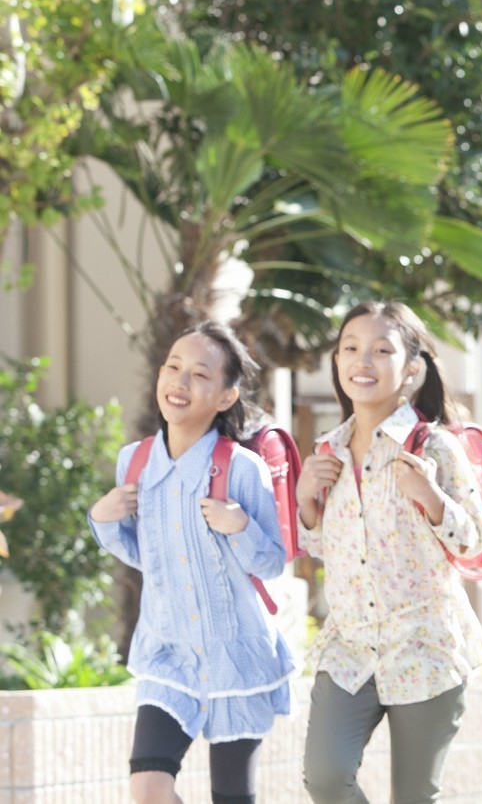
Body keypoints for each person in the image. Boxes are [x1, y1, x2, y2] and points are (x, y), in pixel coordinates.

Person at [88, 321, 293, 804]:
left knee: (232, 798)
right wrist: (103, 521)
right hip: (167, 654)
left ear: (226, 396)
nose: (180, 382)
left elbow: (271, 563)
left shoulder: (243, 469)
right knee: (149, 790)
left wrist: (240, 526)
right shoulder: (133, 464)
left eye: (200, 374)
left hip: (235, 658)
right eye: (173, 367)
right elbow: (145, 556)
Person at [295, 300, 482, 804]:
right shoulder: (327, 452)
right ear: (336, 364)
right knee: (325, 774)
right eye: (351, 349)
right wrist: (305, 504)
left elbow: (474, 540)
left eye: (382, 350)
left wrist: (431, 498)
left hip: (424, 650)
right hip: (350, 650)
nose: (363, 361)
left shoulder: (434, 447)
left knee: (415, 797)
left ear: (412, 370)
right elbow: (325, 548)